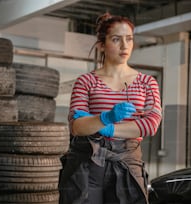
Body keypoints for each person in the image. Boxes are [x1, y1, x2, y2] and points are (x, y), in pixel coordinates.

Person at [59, 12, 162, 204]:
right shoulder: (86, 81)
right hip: (87, 162)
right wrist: (105, 117)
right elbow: (77, 126)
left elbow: (151, 124)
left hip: (128, 161)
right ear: (102, 45)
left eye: (129, 39)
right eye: (116, 39)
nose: (125, 46)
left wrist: (108, 127)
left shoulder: (147, 83)